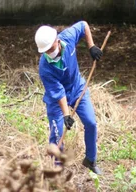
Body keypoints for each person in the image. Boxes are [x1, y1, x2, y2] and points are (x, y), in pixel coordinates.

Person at [34, 21, 102, 174]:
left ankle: (90, 160)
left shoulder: (68, 38)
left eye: (51, 48)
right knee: (57, 135)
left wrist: (91, 46)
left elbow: (83, 24)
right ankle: (57, 169)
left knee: (91, 123)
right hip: (56, 101)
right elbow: (58, 93)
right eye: (46, 51)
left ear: (57, 40)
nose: (50, 52)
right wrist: (66, 114)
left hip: (77, 88)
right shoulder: (44, 68)